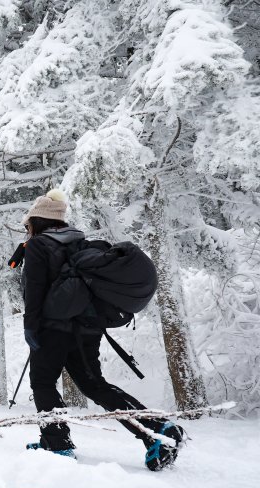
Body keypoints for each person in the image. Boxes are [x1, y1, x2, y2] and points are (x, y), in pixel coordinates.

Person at [21, 189, 184, 471]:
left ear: (37, 221)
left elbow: (34, 292)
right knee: (95, 385)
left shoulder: (38, 246)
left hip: (53, 330)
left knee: (43, 383)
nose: (27, 229)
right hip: (86, 329)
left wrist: (31, 327)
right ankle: (157, 429)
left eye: (28, 225)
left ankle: (56, 443)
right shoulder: (80, 244)